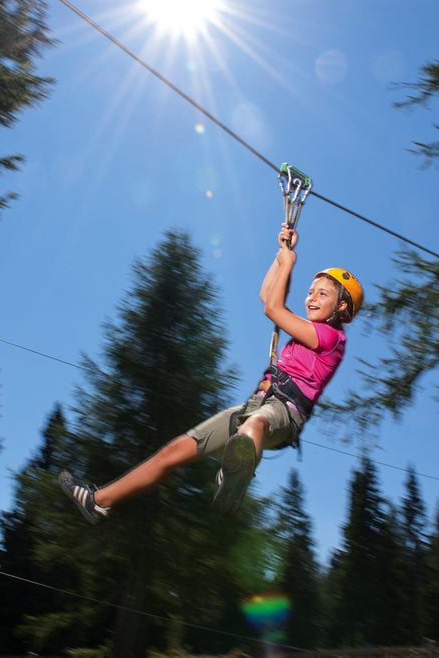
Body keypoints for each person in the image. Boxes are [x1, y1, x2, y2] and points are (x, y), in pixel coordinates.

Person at [59, 223, 363, 523]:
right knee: (174, 451)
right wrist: (281, 253)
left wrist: (289, 262)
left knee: (255, 425)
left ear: (342, 308)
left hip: (283, 413)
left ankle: (233, 479)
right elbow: (266, 296)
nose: (311, 298)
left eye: (322, 294)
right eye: (310, 292)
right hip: (254, 405)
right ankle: (98, 501)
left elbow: (272, 308)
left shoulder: (331, 338)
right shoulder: (308, 331)